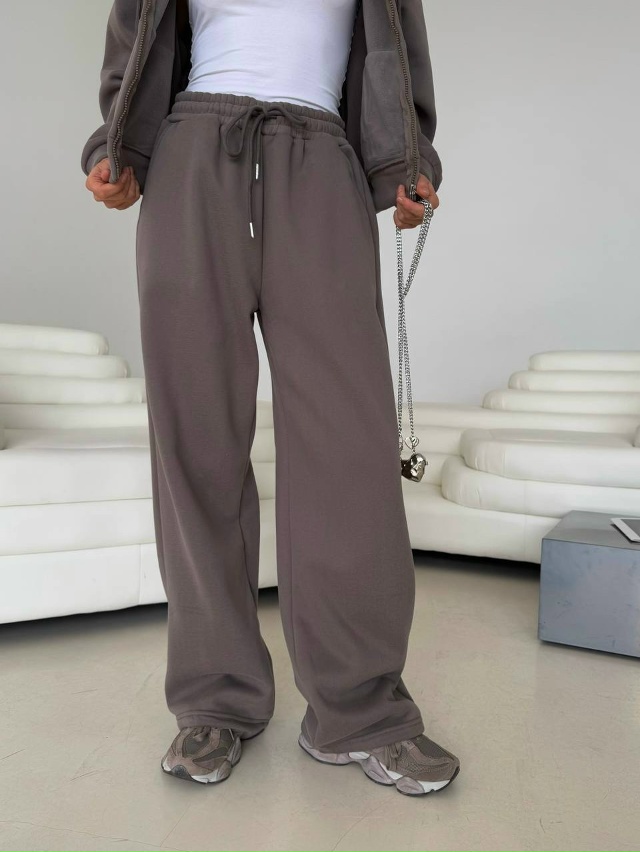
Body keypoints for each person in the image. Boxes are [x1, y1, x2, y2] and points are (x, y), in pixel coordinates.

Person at [81, 0, 460, 797]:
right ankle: (214, 701)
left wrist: (406, 160)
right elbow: (136, 32)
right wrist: (118, 144)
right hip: (192, 155)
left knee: (348, 449)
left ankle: (360, 710)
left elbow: (398, 49)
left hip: (322, 161)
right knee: (196, 443)